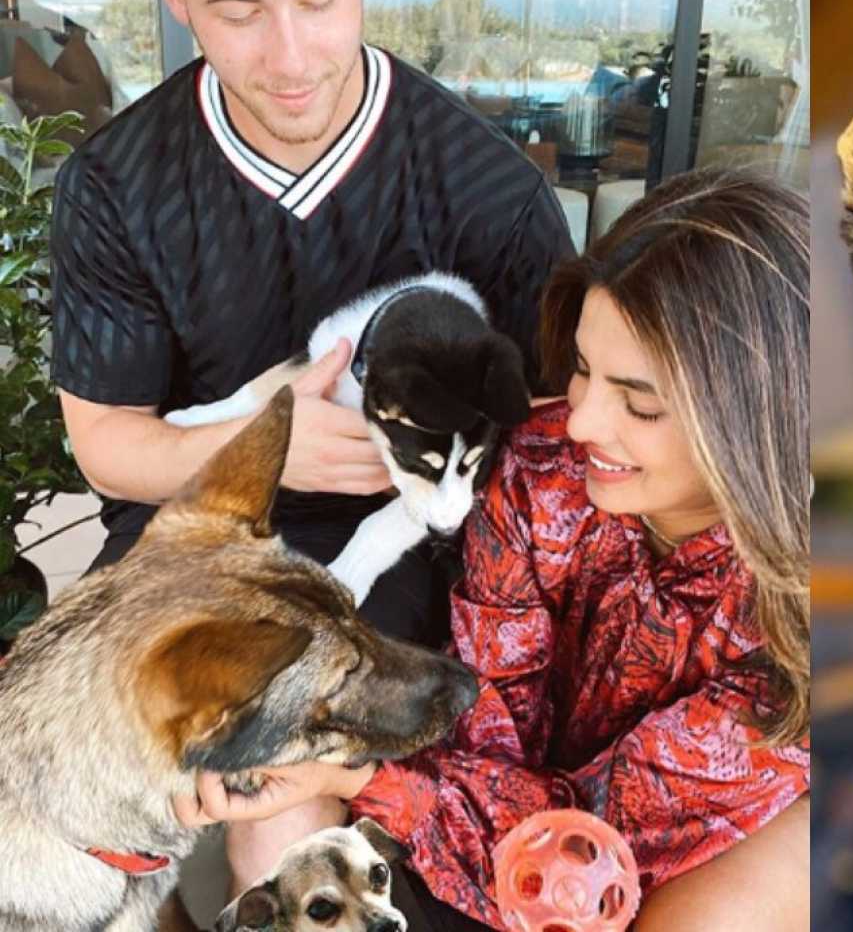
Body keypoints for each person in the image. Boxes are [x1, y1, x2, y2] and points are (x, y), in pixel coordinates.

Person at [177, 169, 812, 930]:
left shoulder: (811, 615)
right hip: (476, 803)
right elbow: (487, 712)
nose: (579, 423)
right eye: (580, 370)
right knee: (284, 819)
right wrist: (329, 762)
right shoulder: (542, 469)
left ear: (759, 420)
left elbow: (599, 836)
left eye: (639, 403)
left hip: (648, 850)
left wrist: (364, 771)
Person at [51, 0, 570, 637]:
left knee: (305, 732)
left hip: (413, 545)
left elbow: (547, 431)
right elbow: (107, 443)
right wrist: (262, 445)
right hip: (194, 527)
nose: (290, 60)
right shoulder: (115, 186)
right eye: (239, 13)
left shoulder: (492, 191)